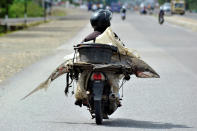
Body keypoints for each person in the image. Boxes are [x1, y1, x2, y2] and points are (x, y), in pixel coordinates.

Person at [75, 9, 123, 107]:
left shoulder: (87, 38)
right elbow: (122, 48)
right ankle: (116, 99)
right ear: (107, 22)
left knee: (82, 78)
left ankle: (80, 98)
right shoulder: (112, 35)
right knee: (115, 80)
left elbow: (80, 49)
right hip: (107, 67)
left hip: (89, 68)